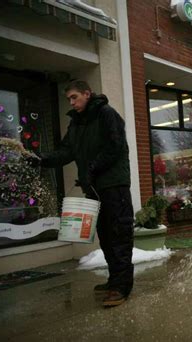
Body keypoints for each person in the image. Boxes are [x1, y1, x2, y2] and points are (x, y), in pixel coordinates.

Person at [37, 80, 134, 307]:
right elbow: (66, 151)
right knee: (106, 237)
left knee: (119, 234)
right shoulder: (77, 124)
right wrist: (42, 159)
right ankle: (114, 281)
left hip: (113, 185)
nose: (71, 102)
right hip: (94, 188)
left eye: (74, 97)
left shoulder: (107, 114)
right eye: (68, 99)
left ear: (87, 94)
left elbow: (115, 146)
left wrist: (91, 169)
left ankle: (122, 287)